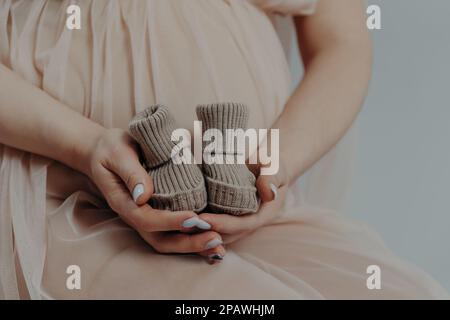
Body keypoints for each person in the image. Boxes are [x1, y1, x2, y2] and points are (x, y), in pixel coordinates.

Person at [0, 0, 447, 299]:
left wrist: (278, 162)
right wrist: (85, 145)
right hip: (55, 200)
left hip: (255, 215)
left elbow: (342, 39)